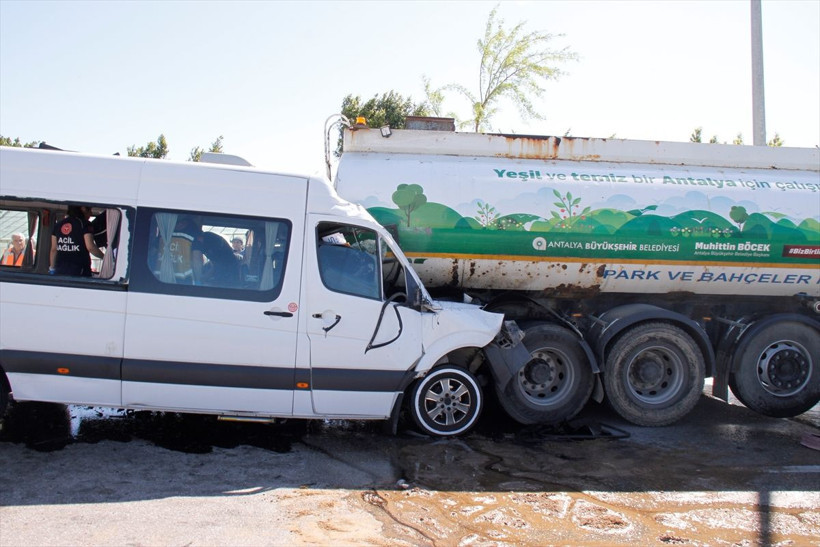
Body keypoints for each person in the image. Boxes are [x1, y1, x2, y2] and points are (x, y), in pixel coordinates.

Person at [50, 205, 104, 276]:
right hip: (79, 271)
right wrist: (104, 257)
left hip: (60, 271)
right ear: (83, 209)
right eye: (90, 210)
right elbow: (90, 247)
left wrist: (52, 268)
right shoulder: (85, 224)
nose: (91, 213)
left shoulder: (58, 225)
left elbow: (54, 249)